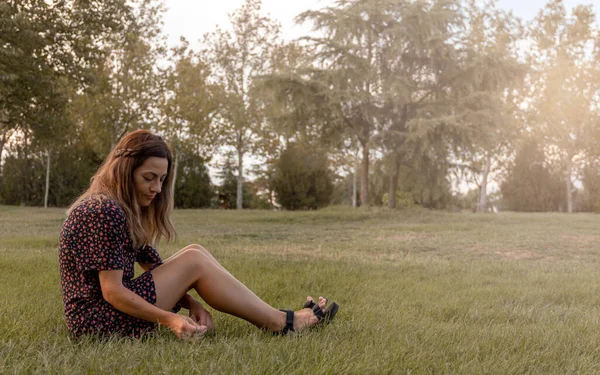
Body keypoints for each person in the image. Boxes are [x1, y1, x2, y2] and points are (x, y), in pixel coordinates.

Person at [58, 129, 338, 339]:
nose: (156, 188)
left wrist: (192, 303)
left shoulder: (118, 208)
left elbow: (154, 266)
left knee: (195, 251)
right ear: (124, 172)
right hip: (96, 324)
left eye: (162, 179)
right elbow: (113, 292)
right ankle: (282, 323)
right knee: (194, 261)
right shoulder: (101, 210)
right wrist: (170, 319)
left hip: (104, 316)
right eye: (148, 177)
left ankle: (278, 319)